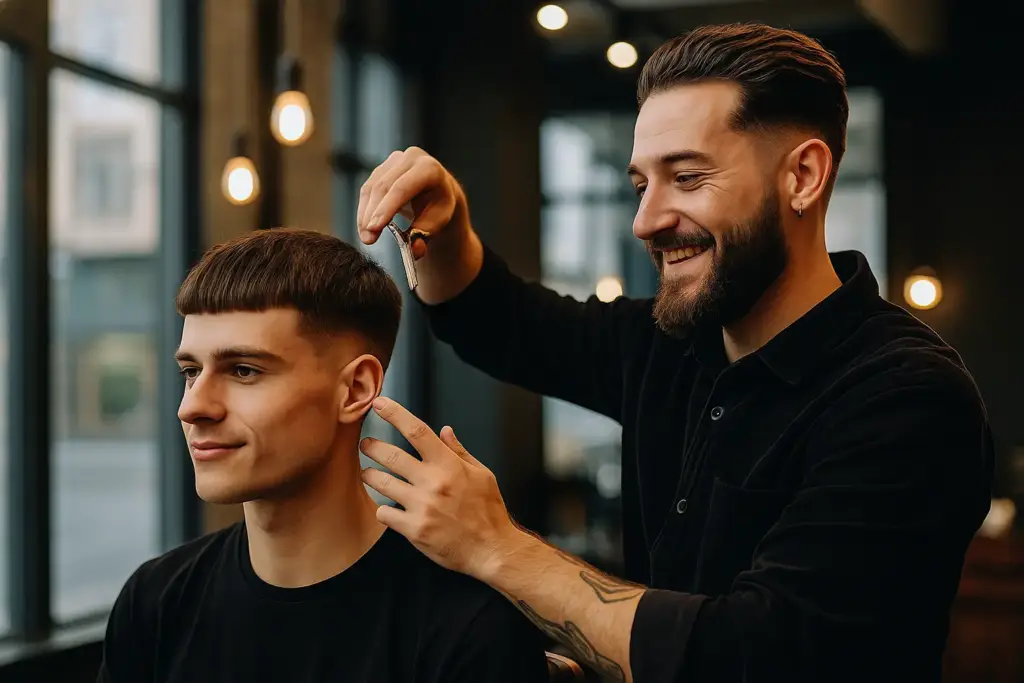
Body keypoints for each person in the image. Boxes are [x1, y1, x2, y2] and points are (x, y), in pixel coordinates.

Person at [353, 22, 995, 683]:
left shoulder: (908, 398)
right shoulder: (667, 344)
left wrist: (498, 548)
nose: (646, 220)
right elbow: (503, 323)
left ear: (802, 176)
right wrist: (448, 222)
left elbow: (759, 656)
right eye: (640, 185)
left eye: (686, 177)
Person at [96, 229, 550, 683]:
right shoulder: (155, 603)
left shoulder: (469, 625)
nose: (191, 406)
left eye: (244, 371)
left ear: (355, 389)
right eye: (191, 372)